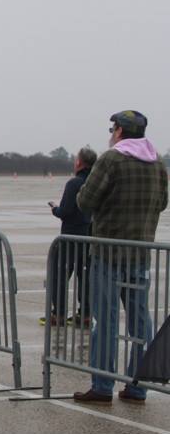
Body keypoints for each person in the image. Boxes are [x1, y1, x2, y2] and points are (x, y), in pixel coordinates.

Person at [73, 111, 168, 405]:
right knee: (141, 322)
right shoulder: (157, 163)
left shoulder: (111, 159)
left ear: (119, 132)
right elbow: (163, 203)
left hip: (108, 253)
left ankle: (102, 386)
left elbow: (85, 201)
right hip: (140, 253)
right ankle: (138, 387)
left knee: (106, 320)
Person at [42, 147, 95, 326]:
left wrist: (55, 208)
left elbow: (65, 211)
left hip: (71, 237)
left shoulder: (74, 183)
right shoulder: (96, 182)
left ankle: (59, 313)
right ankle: (85, 314)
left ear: (78, 162)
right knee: (85, 276)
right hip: (90, 237)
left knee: (59, 275)